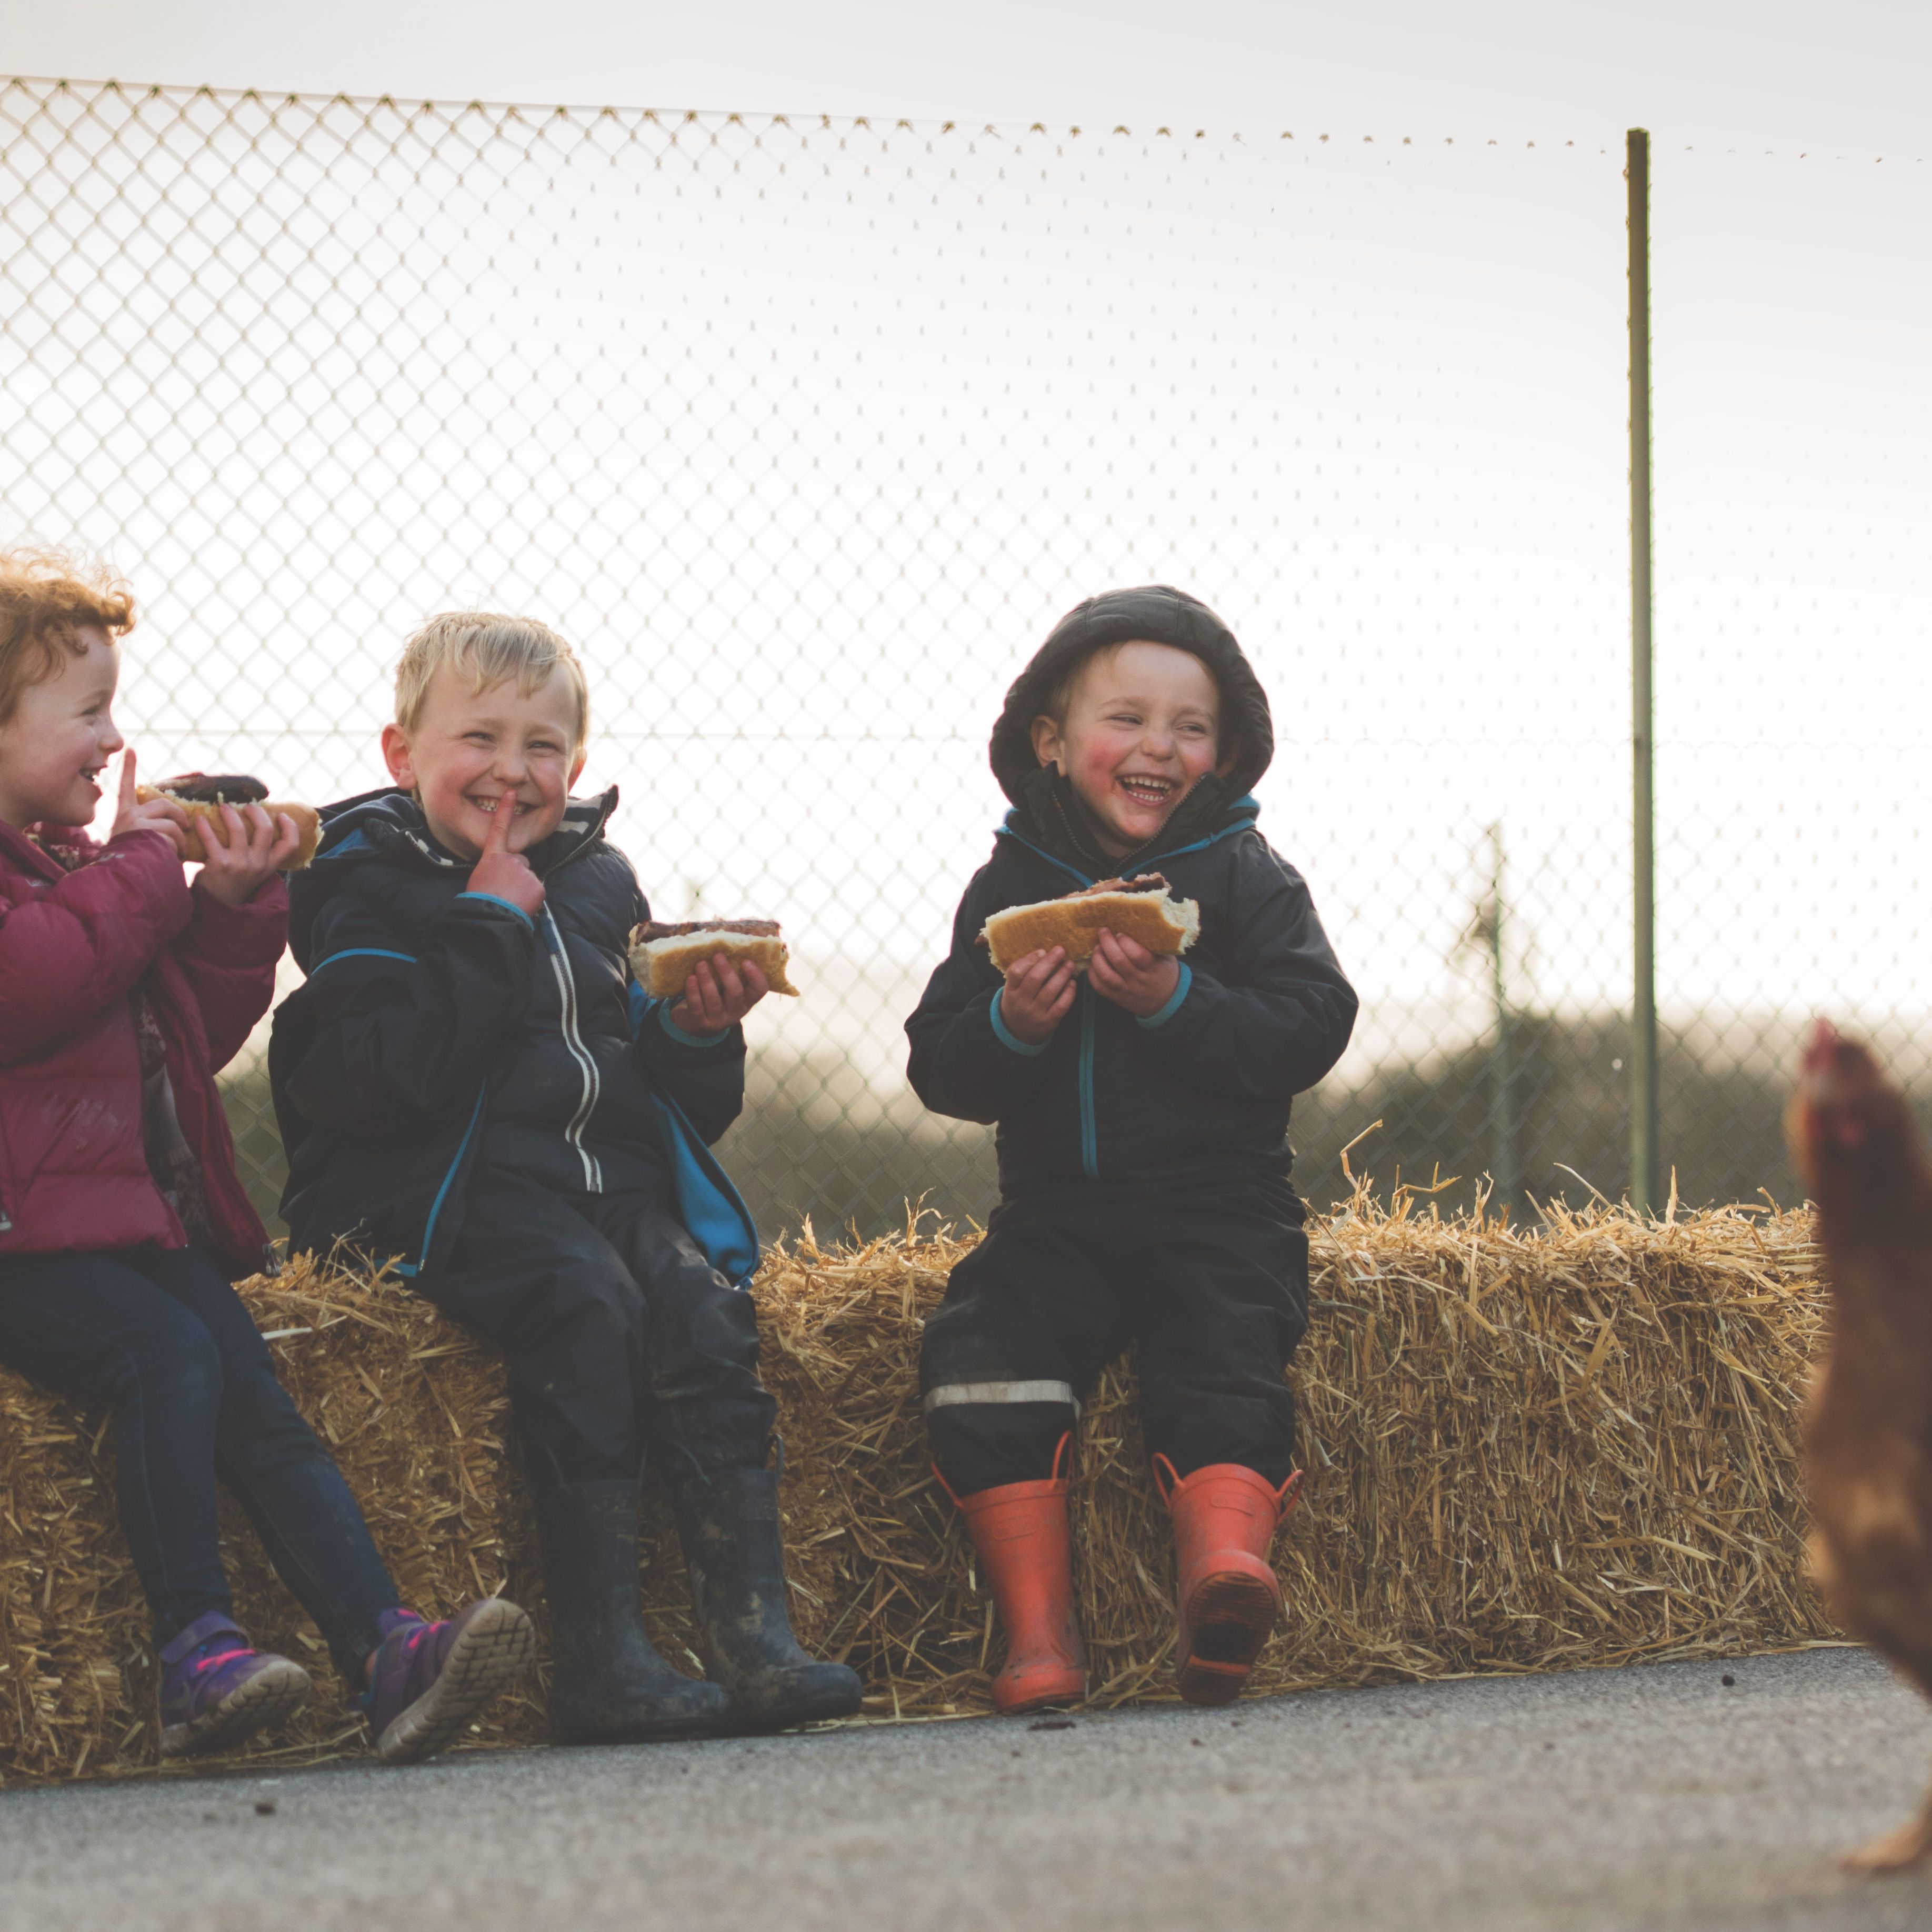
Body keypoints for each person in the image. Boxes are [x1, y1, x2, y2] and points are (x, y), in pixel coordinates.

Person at [269, 612, 860, 1742]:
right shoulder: (361, 882)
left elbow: (676, 1103)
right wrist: (488, 917)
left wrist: (696, 1031)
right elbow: (394, 1077)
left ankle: (752, 1636)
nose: (511, 770)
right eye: (477, 738)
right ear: (403, 756)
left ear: (575, 767)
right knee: (586, 1306)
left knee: (698, 1306)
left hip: (605, 1188)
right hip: (446, 1190)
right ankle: (602, 1659)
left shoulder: (600, 881)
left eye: (542, 747)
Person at [0, 549, 533, 1764]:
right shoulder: (84, 880)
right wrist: (146, 856)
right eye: (86, 714)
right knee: (164, 1354)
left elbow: (182, 1033)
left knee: (251, 1388)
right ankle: (193, 1652)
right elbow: (33, 983)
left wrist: (235, 907)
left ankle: (386, 1646)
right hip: (18, 1243)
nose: (112, 740)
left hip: (117, 1227)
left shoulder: (78, 874)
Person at [906, 585, 1359, 1711]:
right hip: (1054, 1217)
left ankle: (1224, 1576)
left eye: (1190, 727)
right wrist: (1015, 1024)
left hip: (1222, 1207)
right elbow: (937, 1063)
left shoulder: (1250, 878)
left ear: (1225, 754)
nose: (1159, 745)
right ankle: (1040, 1637)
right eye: (1127, 718)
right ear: (1052, 744)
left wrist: (1175, 1000)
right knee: (982, 1350)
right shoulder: (1008, 889)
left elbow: (1313, 1024)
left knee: (1220, 1351)